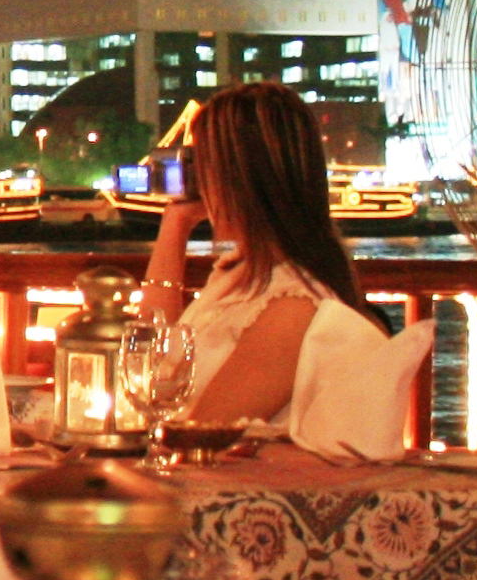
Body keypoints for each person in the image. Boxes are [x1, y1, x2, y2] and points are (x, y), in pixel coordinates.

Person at [139, 82, 399, 428]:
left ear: (238, 177)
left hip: (228, 480)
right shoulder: (240, 277)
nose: (195, 178)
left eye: (201, 163)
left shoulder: (293, 307)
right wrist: (175, 223)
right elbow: (149, 357)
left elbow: (200, 432)